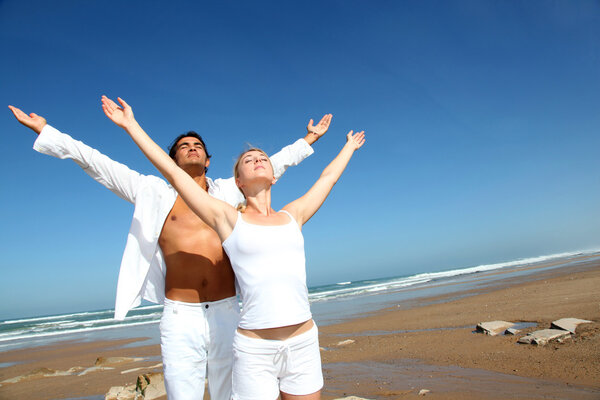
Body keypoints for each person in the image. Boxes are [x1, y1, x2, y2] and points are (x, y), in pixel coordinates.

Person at [8, 103, 332, 400]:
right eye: (183, 147)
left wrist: (308, 140)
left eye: (198, 147)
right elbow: (96, 162)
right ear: (173, 160)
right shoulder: (150, 191)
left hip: (229, 311)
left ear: (208, 160)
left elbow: (270, 165)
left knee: (231, 393)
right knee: (183, 393)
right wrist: (46, 132)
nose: (191, 149)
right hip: (180, 316)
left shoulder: (228, 192)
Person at [102, 96, 365, 400]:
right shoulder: (228, 219)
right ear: (237, 181)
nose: (257, 159)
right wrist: (131, 126)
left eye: (263, 157)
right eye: (248, 159)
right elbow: (172, 173)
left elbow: (327, 179)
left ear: (274, 175)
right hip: (253, 347)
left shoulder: (293, 214)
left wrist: (347, 146)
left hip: (303, 340)